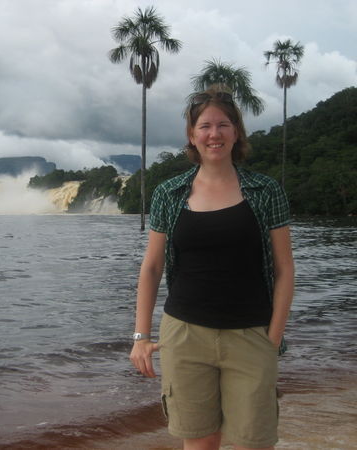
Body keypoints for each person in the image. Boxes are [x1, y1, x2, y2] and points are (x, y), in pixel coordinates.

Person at [129, 86, 294, 450]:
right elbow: (152, 267)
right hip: (184, 337)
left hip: (251, 335)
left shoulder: (265, 191)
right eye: (204, 126)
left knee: (254, 442)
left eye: (223, 125)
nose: (213, 134)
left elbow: (285, 269)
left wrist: (273, 338)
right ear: (192, 135)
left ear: (236, 132)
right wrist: (141, 336)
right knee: (199, 443)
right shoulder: (169, 193)